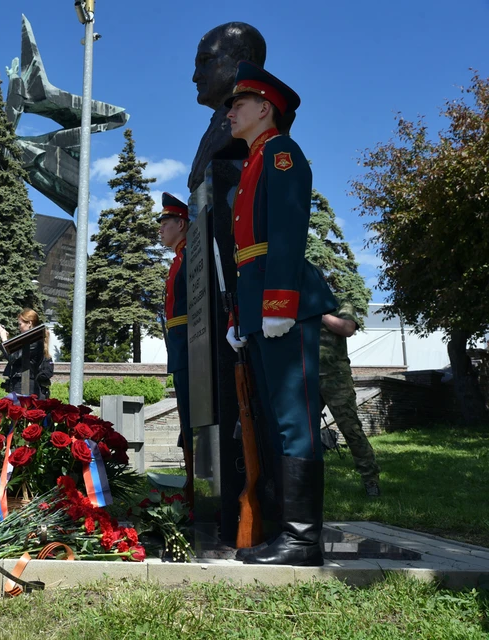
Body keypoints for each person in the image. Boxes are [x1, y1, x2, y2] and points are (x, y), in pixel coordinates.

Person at [224, 61, 337, 566]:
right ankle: (288, 532)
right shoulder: (253, 161)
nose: (230, 113)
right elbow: (244, 254)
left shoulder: (281, 153)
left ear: (265, 108)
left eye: (238, 104)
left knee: (295, 419)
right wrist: (238, 318)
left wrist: (277, 303)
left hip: (282, 302)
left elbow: (288, 232)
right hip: (258, 304)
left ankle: (304, 540)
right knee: (272, 419)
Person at [189, 22, 268, 193]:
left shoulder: (254, 127)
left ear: (242, 61)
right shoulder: (218, 124)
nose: (195, 77)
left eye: (206, 61)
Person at [156, 193, 194, 506]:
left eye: (165, 223)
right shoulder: (180, 258)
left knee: (192, 416)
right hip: (182, 345)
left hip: (193, 345)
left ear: (180, 224)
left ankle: (196, 483)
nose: (160, 229)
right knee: (186, 415)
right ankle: (192, 482)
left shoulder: (192, 256)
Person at [320, 304, 381, 496]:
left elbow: (347, 328)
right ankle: (308, 483)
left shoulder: (337, 303)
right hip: (304, 377)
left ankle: (370, 480)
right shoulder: (294, 303)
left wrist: (318, 313)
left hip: (335, 377)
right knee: (303, 434)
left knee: (350, 429)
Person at [0, 309, 52, 399]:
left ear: (29, 323)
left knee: (23, 409)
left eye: (20, 324)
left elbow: (13, 358)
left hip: (25, 383)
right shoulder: (30, 340)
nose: (19, 327)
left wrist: (4, 340)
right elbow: (16, 356)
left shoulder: (33, 341)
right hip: (21, 382)